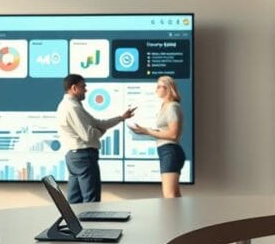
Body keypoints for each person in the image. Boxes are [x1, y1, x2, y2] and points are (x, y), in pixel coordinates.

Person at [56, 74, 136, 203]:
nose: (86, 90)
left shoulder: (71, 106)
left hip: (75, 157)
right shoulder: (73, 108)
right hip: (84, 157)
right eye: (83, 87)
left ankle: (76, 223)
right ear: (74, 88)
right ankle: (90, 224)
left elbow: (98, 122)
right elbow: (88, 135)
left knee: (75, 199)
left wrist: (121, 118)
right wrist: (101, 131)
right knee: (91, 200)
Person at [129, 76, 186, 198]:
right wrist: (144, 131)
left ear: (168, 88)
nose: (156, 89)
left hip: (170, 151)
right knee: (174, 195)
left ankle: (173, 217)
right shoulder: (165, 106)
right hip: (167, 150)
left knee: (169, 195)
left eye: (159, 86)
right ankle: (178, 217)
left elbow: (173, 134)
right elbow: (165, 131)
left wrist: (147, 131)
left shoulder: (172, 106)